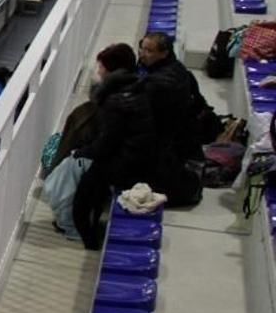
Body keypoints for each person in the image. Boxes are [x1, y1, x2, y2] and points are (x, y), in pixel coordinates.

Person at [70, 44, 162, 249]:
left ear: (112, 70)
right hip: (138, 158)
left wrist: (79, 152)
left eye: (101, 67)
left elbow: (105, 145)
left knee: (80, 207)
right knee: (94, 189)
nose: (98, 72)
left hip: (123, 164)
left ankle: (91, 244)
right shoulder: (137, 88)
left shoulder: (115, 101)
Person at [137, 32, 208, 205]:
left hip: (169, 147)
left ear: (164, 53)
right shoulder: (179, 69)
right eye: (142, 49)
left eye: (149, 51)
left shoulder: (158, 84)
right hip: (180, 142)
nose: (142, 54)